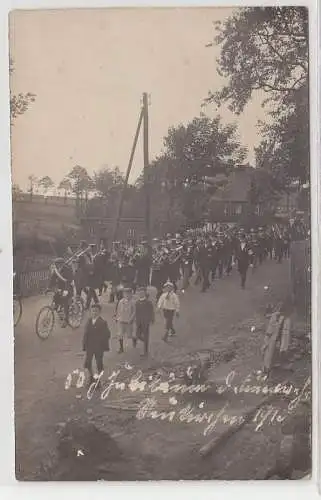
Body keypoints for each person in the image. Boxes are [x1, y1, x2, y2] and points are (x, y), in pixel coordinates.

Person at [82, 303, 111, 387]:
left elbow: (107, 334)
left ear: (99, 312)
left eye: (96, 311)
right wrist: (84, 344)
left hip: (98, 347)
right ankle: (91, 377)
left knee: (99, 364)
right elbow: (85, 334)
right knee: (87, 363)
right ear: (90, 312)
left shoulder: (102, 322)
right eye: (93, 311)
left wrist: (102, 343)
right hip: (89, 346)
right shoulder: (89, 321)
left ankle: (98, 380)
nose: (94, 313)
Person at [48, 258, 74, 328]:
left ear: (62, 264)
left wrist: (66, 290)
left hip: (68, 288)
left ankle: (66, 320)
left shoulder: (68, 269)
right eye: (56, 264)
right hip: (60, 288)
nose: (56, 266)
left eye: (58, 264)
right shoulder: (56, 270)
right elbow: (52, 279)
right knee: (55, 301)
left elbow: (69, 280)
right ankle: (60, 313)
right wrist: (49, 288)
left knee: (66, 303)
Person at [135, 286, 155, 357]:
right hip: (138, 321)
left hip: (145, 322)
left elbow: (151, 311)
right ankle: (144, 340)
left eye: (142, 293)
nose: (141, 294)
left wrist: (152, 319)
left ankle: (145, 351)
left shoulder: (148, 302)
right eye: (139, 293)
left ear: (145, 293)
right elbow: (135, 312)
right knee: (137, 335)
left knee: (146, 335)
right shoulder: (137, 302)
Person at [115, 287, 136, 353]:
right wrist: (117, 317)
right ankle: (121, 348)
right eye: (125, 294)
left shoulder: (133, 302)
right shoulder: (121, 301)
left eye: (128, 294)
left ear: (131, 294)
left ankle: (134, 339)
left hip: (128, 321)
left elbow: (134, 312)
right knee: (120, 334)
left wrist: (131, 319)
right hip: (121, 320)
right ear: (123, 294)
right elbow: (118, 310)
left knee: (129, 335)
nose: (127, 295)